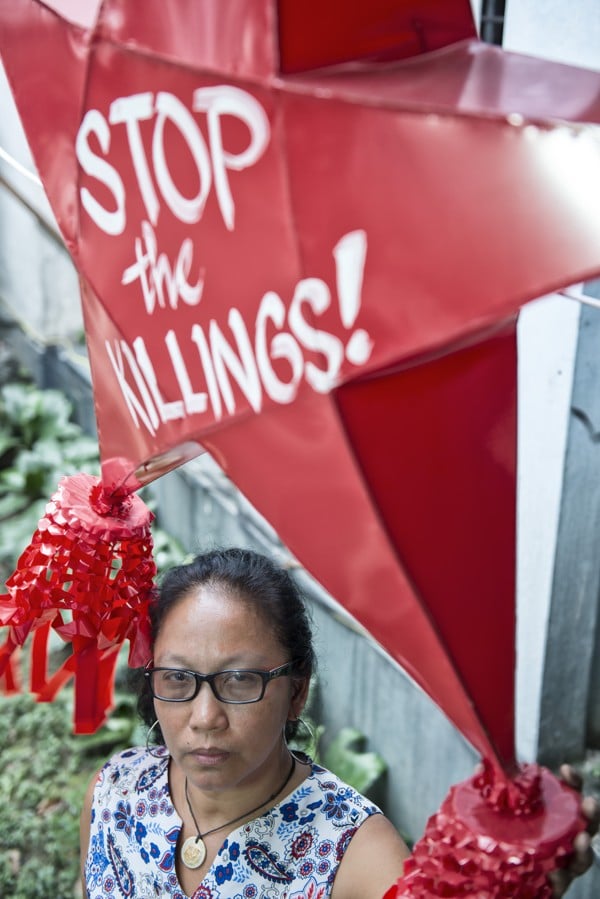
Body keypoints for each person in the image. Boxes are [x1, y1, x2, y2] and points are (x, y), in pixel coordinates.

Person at [80, 547, 598, 899]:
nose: (205, 717)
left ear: (296, 692)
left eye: (239, 681)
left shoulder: (355, 853)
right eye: (177, 679)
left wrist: (507, 878)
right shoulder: (115, 792)